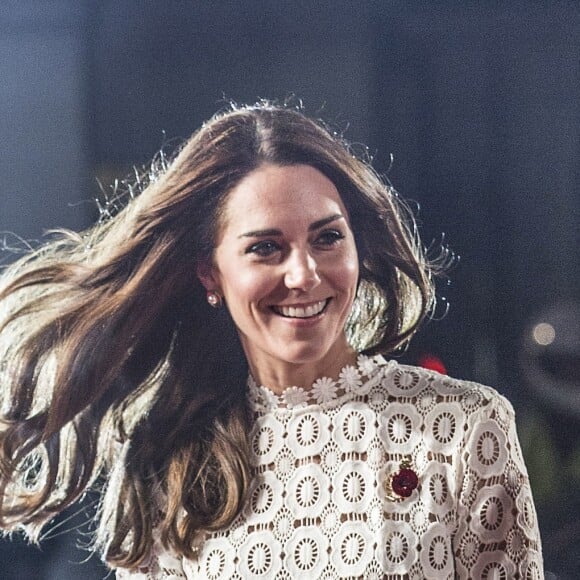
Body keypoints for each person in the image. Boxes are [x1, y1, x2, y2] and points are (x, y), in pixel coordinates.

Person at [0, 102, 543, 579]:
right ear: (210, 274)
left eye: (328, 237)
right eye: (266, 248)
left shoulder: (464, 427)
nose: (305, 273)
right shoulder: (166, 458)